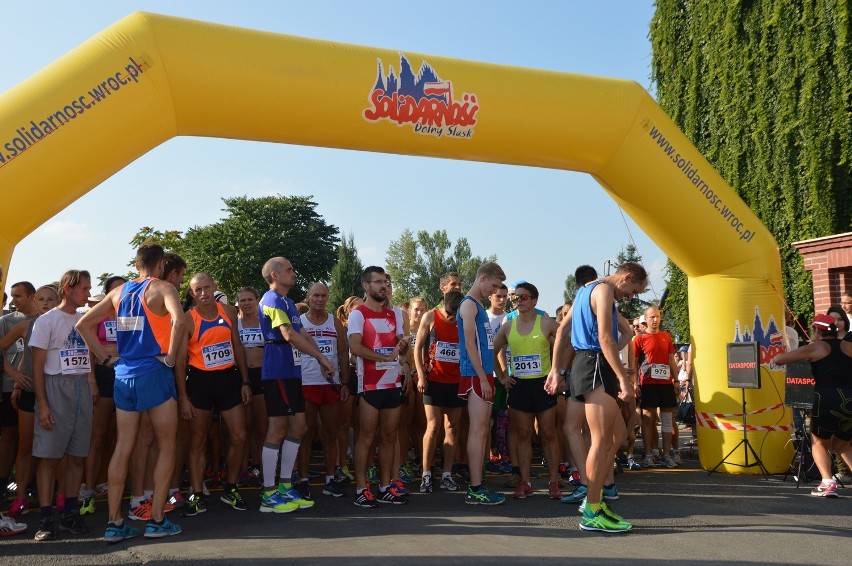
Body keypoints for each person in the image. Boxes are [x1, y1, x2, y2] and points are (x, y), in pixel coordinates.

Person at [77, 243, 187, 542]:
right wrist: (172, 357)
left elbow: (83, 324)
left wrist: (104, 359)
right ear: (161, 263)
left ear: (137, 263)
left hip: (123, 374)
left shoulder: (118, 292)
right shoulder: (164, 288)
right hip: (153, 371)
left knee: (123, 446)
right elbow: (180, 320)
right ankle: (157, 520)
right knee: (166, 445)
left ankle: (114, 523)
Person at [569, 262, 645, 533]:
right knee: (600, 441)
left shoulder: (588, 289)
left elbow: (566, 330)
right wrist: (622, 378)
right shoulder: (602, 291)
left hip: (593, 363)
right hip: (593, 363)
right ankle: (591, 509)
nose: (632, 296)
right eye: (634, 290)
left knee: (618, 436)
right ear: (625, 277)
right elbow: (604, 337)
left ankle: (595, 500)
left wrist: (556, 368)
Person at [256, 257, 333, 513]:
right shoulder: (272, 300)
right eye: (289, 269)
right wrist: (320, 356)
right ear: (275, 275)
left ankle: (285, 486)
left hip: (291, 371)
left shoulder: (288, 302)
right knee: (277, 429)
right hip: (277, 370)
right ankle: (269, 493)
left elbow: (302, 333)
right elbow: (288, 335)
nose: (293, 272)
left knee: (299, 427)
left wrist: (321, 358)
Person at [176, 273, 251, 515]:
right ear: (192, 293)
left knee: (239, 436)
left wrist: (245, 381)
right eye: (198, 290)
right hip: (200, 381)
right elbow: (179, 363)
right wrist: (184, 397)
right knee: (198, 441)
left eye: (207, 287)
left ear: (215, 287)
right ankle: (197, 493)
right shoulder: (188, 319)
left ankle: (230, 487)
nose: (204, 293)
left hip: (228, 379)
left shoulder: (229, 312)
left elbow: (237, 345)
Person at [30, 270, 96, 541]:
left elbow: (86, 355)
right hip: (55, 387)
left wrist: (92, 384)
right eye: (84, 288)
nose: (88, 293)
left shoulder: (83, 320)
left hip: (81, 386)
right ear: (68, 288)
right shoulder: (46, 321)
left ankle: (70, 512)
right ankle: (46, 518)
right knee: (49, 457)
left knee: (78, 456)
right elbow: (36, 367)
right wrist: (43, 404)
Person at [493, 281, 562, 499]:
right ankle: (525, 482)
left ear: (534, 300)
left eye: (523, 297)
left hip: (543, 384)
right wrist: (503, 377)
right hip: (519, 385)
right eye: (516, 297)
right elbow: (492, 351)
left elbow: (566, 345)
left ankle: (553, 481)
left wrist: (558, 372)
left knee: (548, 433)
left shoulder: (547, 323)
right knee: (523, 434)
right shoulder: (507, 325)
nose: (518, 301)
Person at [348, 266, 409, 507]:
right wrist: (384, 358)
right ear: (366, 286)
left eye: (385, 281)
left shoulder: (395, 314)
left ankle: (385, 486)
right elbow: (355, 347)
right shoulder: (358, 314)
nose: (384, 286)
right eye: (378, 282)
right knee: (366, 437)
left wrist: (402, 351)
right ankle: (361, 488)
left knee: (389, 436)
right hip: (370, 384)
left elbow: (399, 345)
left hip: (392, 383)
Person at [772, 314, 852, 497]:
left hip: (828, 399)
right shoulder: (849, 346)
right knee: (843, 444)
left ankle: (827, 483)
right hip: (849, 398)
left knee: (819, 442)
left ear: (817, 330)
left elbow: (780, 359)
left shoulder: (817, 347)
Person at [4, 284, 59, 519]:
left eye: (50, 299)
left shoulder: (69, 323)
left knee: (57, 448)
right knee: (26, 447)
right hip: (31, 393)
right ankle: (21, 497)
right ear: (35, 302)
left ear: (58, 302)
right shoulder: (25, 325)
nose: (45, 303)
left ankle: (59, 495)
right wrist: (16, 377)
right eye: (41, 299)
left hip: (57, 393)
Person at [457, 261, 506, 505]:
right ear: (483, 278)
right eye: (494, 285)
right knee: (478, 431)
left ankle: (478, 483)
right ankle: (475, 487)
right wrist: (482, 378)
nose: (494, 291)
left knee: (483, 430)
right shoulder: (468, 304)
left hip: (483, 374)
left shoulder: (476, 306)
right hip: (476, 375)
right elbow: (468, 345)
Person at [79, 276, 127, 516]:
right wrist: (91, 380)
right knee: (97, 436)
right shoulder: (99, 314)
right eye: (115, 288)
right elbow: (87, 349)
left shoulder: (128, 313)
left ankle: (104, 481)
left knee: (116, 435)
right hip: (103, 373)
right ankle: (87, 487)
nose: (120, 291)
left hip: (125, 374)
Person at [298, 282, 350, 499]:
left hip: (330, 385)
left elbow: (342, 353)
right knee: (306, 435)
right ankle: (303, 480)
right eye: (315, 296)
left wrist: (345, 382)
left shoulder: (335, 322)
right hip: (306, 383)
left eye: (323, 296)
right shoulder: (299, 322)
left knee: (330, 434)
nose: (319, 299)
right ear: (308, 297)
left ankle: (330, 479)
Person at [413, 290, 464, 494]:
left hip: (456, 381)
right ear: (443, 303)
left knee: (452, 428)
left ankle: (446, 474)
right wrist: (421, 376)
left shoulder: (464, 318)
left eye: (456, 314)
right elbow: (417, 348)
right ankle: (426, 474)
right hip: (433, 380)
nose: (452, 317)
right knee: (433, 427)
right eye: (450, 313)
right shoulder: (431, 316)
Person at [0, 281, 39, 488]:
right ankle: (4, 482)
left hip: (36, 387)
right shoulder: (6, 321)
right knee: (9, 436)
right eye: (12, 296)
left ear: (31, 296)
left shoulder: (44, 320)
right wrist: (14, 375)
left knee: (33, 441)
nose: (13, 300)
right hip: (9, 386)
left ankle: (29, 483)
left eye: (18, 296)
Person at [633, 306, 680, 469]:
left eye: (658, 316)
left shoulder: (666, 337)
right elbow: (634, 361)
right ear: (646, 319)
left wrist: (676, 380)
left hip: (666, 383)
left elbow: (671, 359)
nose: (655, 319)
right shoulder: (639, 339)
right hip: (648, 383)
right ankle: (648, 454)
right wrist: (634, 383)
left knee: (667, 420)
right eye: (652, 317)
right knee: (648, 420)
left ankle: (666, 455)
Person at [236, 286, 266, 485]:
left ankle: (262, 468)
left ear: (257, 301)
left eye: (250, 300)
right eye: (242, 300)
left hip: (263, 376)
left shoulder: (266, 322)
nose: (246, 303)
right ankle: (243, 470)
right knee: (242, 428)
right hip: (241, 377)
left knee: (262, 427)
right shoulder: (234, 324)